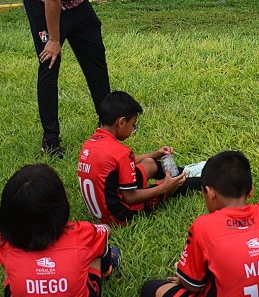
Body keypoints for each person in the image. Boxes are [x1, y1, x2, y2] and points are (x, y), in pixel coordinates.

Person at [23, 0, 171, 158]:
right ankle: (51, 139)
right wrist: (54, 40)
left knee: (95, 59)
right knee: (49, 63)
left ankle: (108, 127)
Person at [140, 151, 259, 297]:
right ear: (251, 189)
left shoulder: (204, 226)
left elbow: (193, 286)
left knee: (150, 289)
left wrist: (182, 280)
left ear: (210, 193)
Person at [0, 164, 121, 297]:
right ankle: (108, 270)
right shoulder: (82, 234)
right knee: (96, 248)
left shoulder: (2, 243)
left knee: (10, 269)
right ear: (60, 207)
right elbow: (105, 231)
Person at [77, 91, 195, 227]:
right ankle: (196, 180)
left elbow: (120, 164)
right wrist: (164, 187)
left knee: (150, 163)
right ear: (121, 122)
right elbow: (130, 198)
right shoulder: (121, 153)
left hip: (104, 206)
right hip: (120, 216)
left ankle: (185, 171)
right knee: (172, 185)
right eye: (133, 125)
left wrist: (154, 154)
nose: (133, 129)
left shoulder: (90, 144)